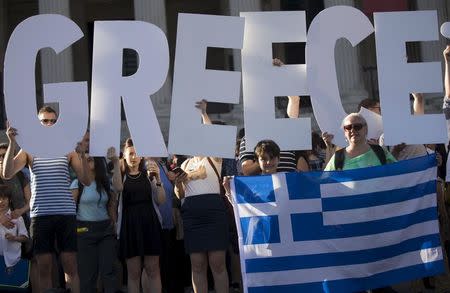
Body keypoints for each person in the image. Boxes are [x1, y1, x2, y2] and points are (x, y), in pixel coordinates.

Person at [3, 106, 90, 293]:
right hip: (40, 215)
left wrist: (82, 154)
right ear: (39, 123)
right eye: (45, 121)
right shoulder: (29, 149)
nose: (49, 124)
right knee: (44, 267)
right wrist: (11, 143)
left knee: (70, 266)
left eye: (53, 121)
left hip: (65, 213)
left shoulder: (68, 148)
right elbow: (7, 173)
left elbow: (85, 180)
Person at [115, 138, 165, 293]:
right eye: (130, 153)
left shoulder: (149, 174)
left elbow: (161, 200)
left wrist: (158, 179)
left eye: (136, 153)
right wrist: (116, 163)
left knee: (153, 270)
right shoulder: (121, 175)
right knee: (133, 273)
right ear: (124, 155)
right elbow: (117, 187)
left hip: (150, 223)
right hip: (129, 226)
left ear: (142, 156)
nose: (134, 157)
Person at [70, 147, 121, 293]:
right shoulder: (76, 184)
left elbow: (112, 205)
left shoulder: (106, 183)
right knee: (87, 275)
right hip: (84, 231)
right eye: (84, 159)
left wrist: (114, 226)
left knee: (109, 271)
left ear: (97, 162)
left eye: (90, 158)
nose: (87, 161)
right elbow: (71, 210)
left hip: (105, 230)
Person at [324, 113, 396, 171]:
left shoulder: (380, 151)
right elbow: (326, 181)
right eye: (348, 127)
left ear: (366, 129)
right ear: (345, 132)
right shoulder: (338, 157)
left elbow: (398, 175)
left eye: (357, 126)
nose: (352, 130)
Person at [0, 185, 28, 269]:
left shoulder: (17, 218)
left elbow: (25, 238)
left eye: (4, 198)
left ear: (10, 200)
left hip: (14, 261)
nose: (1, 201)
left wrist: (14, 238)